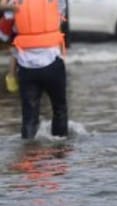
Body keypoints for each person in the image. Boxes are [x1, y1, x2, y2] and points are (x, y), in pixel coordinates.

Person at [1, 0, 68, 139]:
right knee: (59, 110)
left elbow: (3, 35)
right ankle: (61, 150)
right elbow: (60, 19)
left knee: (29, 116)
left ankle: (29, 153)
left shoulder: (14, 4)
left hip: (27, 68)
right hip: (53, 65)